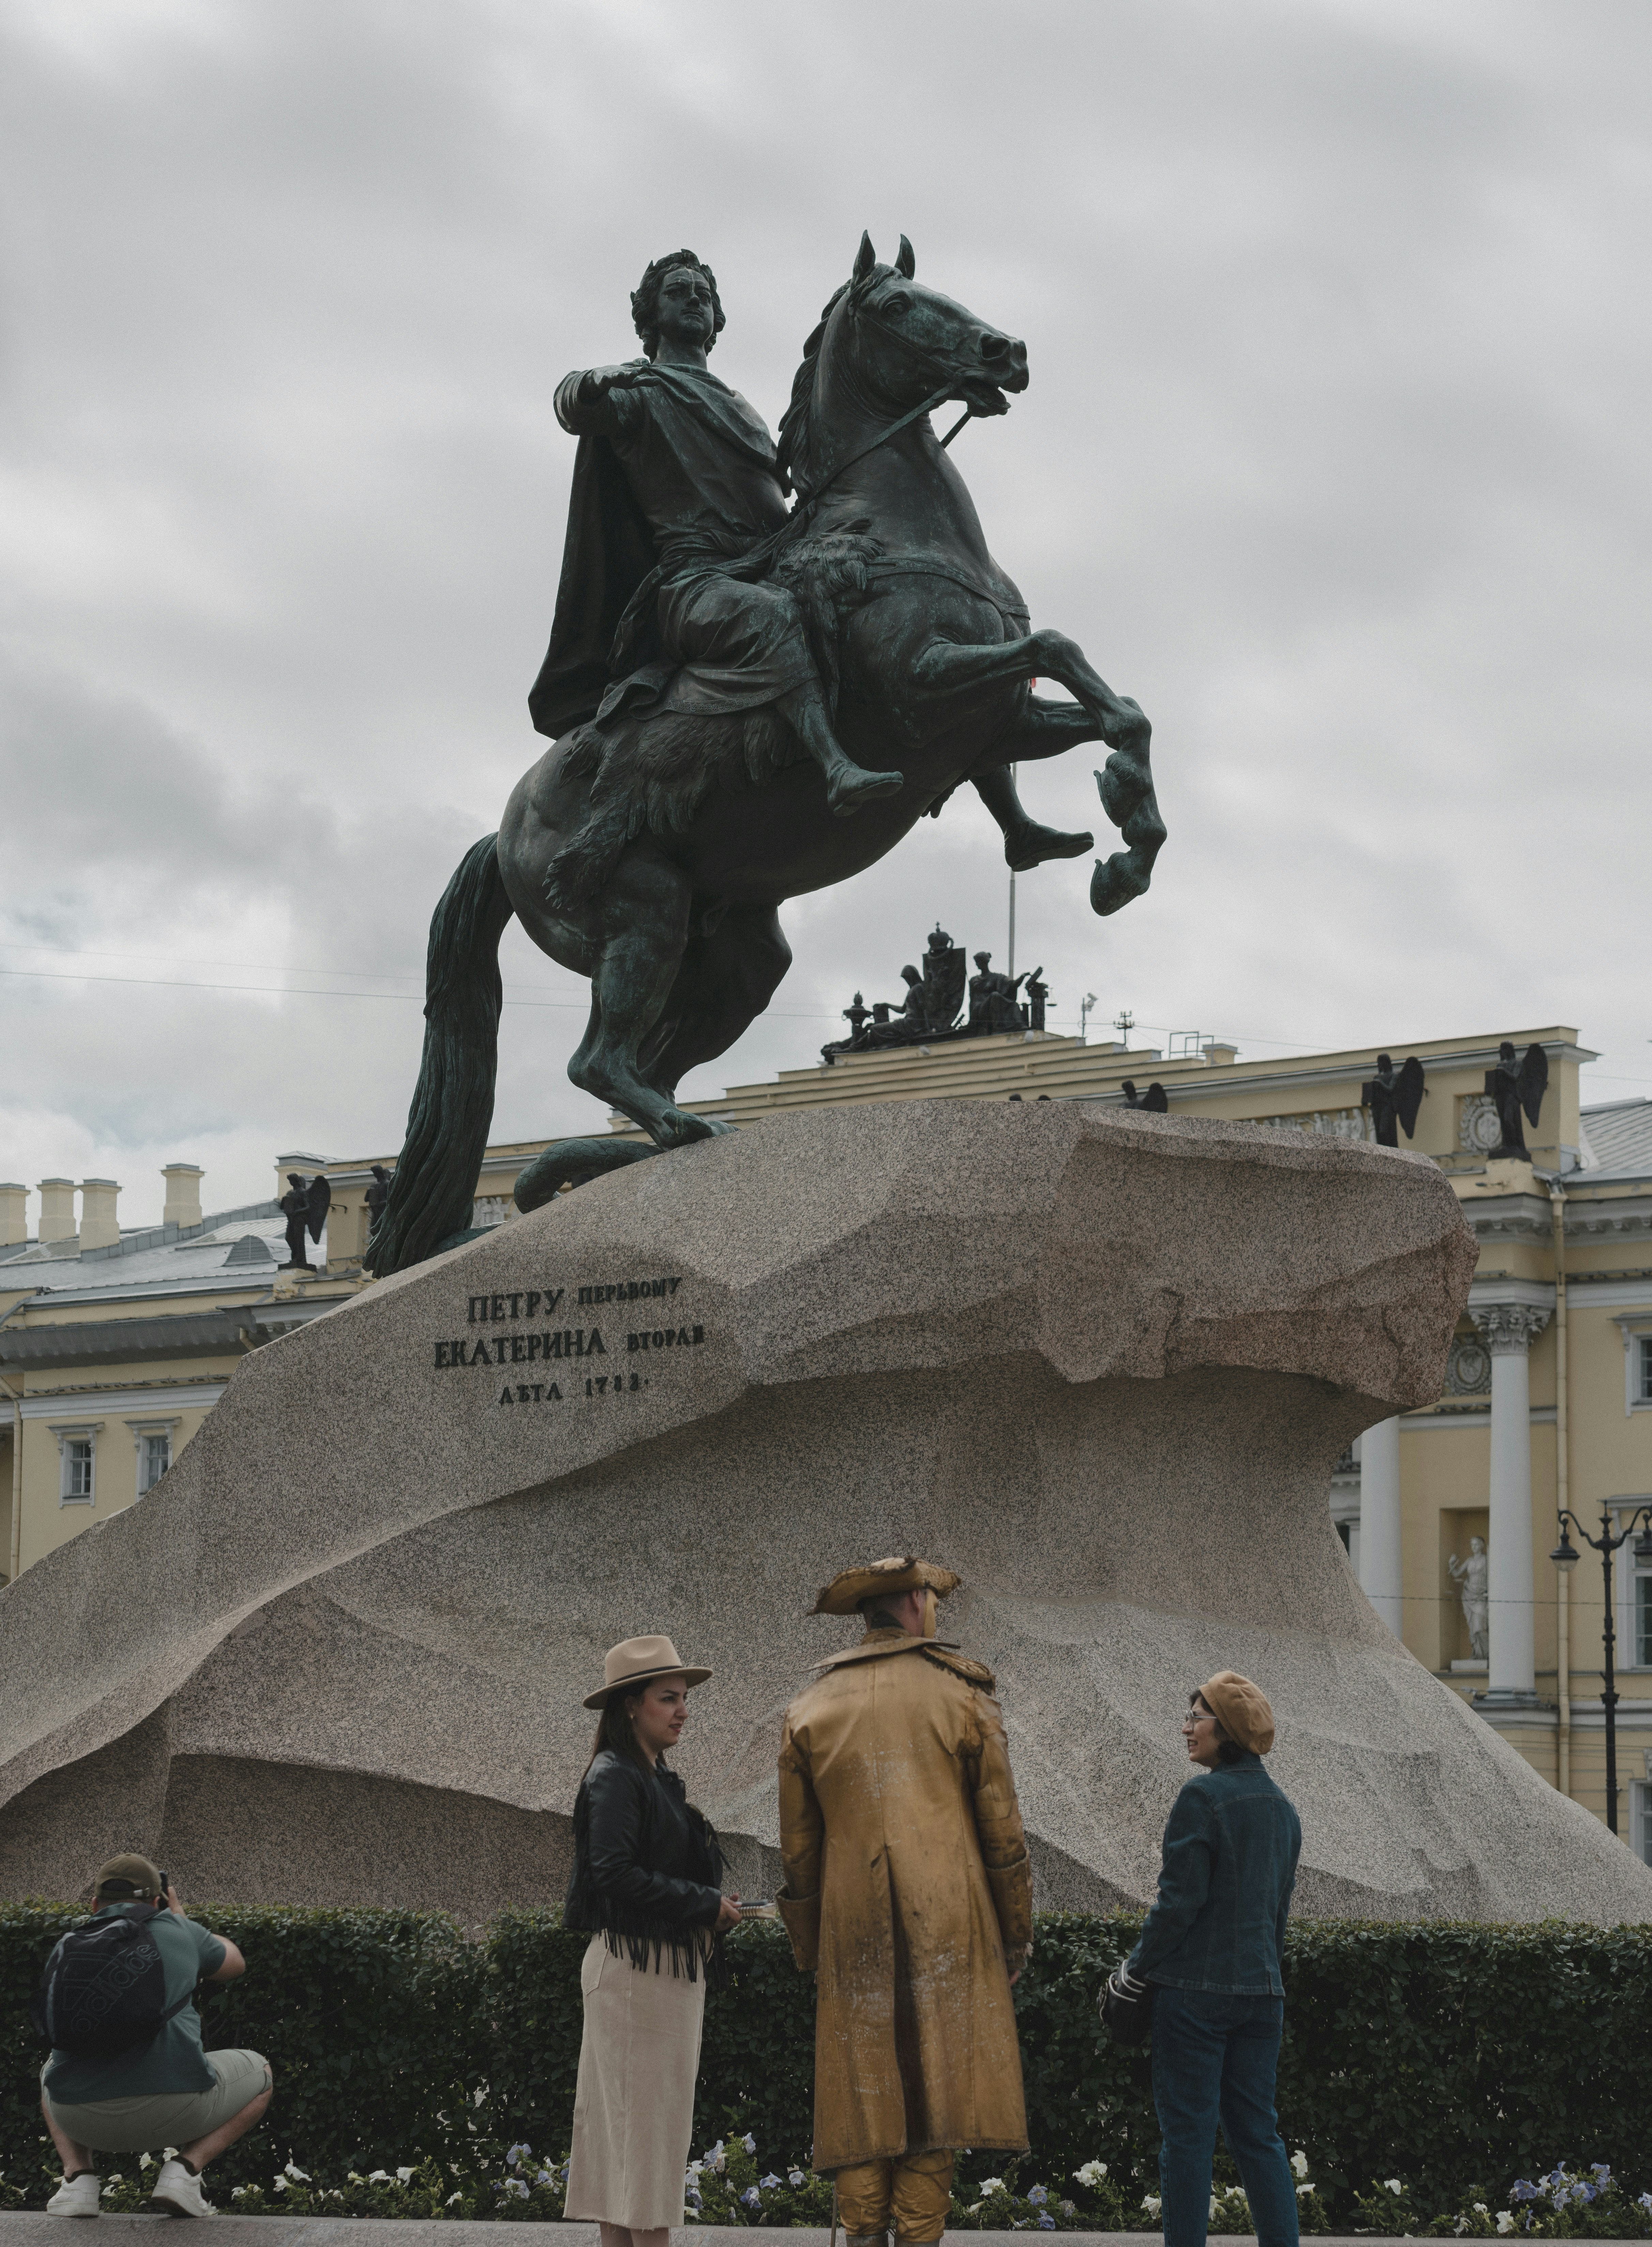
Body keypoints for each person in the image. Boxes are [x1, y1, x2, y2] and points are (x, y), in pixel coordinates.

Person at [533, 249, 904, 818]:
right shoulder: (640, 392)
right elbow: (573, 408)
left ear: (717, 319)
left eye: (703, 294)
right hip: (695, 584)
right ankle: (835, 767)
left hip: (766, 562)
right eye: (677, 291)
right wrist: (588, 381)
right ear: (649, 315)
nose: (693, 299)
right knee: (771, 617)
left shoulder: (744, 408)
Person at [777, 1556, 1032, 2247]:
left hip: (849, 1925)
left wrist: (810, 1945)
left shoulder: (809, 1708)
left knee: (861, 2090)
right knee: (937, 2090)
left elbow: (798, 1852)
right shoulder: (962, 1694)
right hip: (949, 1920)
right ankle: (918, 2239)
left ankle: (861, 2235)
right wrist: (1014, 1935)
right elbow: (1002, 1832)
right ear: (917, 1604)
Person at [563, 1635, 738, 2247]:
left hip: (656, 1974)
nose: (682, 1710)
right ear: (631, 1706)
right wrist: (704, 1904)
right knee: (641, 2148)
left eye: (684, 1699)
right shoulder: (615, 1775)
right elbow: (610, 1873)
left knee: (634, 2151)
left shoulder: (654, 1777)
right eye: (668, 1699)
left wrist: (711, 1906)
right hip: (637, 1980)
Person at [1123, 1674, 1302, 2247]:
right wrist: (1264, 1980)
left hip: (1193, 1995)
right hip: (1261, 1994)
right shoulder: (1283, 1809)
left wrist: (1133, 1969)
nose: (1185, 1727)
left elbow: (1177, 1907)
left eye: (1195, 1716)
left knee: (1188, 2140)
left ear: (1225, 1731)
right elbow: (1276, 1917)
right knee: (1259, 2137)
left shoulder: (1201, 1798)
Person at [39, 1854, 272, 2220]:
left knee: (52, 2066)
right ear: (156, 1901)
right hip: (174, 2113)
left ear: (95, 1904)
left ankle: (78, 2180)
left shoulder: (70, 1942)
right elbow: (234, 1964)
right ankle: (184, 2173)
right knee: (262, 2073)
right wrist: (180, 1918)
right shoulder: (177, 1930)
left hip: (76, 2117)